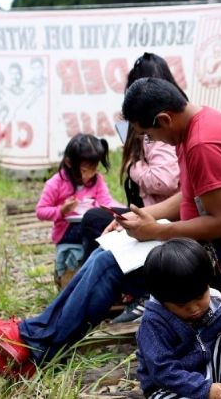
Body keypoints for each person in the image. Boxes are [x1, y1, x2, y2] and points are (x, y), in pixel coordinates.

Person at [0, 77, 221, 379]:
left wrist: (157, 231)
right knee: (109, 247)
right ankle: (29, 340)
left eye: (150, 134)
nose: (155, 141)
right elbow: (188, 196)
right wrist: (141, 215)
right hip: (202, 240)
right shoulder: (192, 128)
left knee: (109, 266)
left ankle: (30, 347)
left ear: (164, 119)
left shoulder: (202, 143)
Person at [84, 53, 182, 324]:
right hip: (152, 210)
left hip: (162, 216)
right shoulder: (149, 123)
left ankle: (137, 293)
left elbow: (166, 179)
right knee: (96, 222)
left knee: (95, 224)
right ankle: (103, 293)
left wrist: (132, 167)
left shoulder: (160, 128)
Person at [135, 238, 221, 399]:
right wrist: (204, 389)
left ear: (208, 284)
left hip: (209, 375)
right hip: (169, 387)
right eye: (182, 305)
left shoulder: (216, 303)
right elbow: (163, 370)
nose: (194, 308)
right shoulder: (153, 323)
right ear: (163, 301)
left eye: (199, 297)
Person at [36, 133, 120, 288]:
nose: (90, 175)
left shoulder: (97, 181)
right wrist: (61, 211)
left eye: (94, 169)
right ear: (69, 162)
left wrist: (117, 211)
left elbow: (106, 201)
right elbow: (41, 211)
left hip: (89, 227)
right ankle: (86, 277)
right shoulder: (56, 183)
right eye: (85, 170)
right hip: (67, 231)